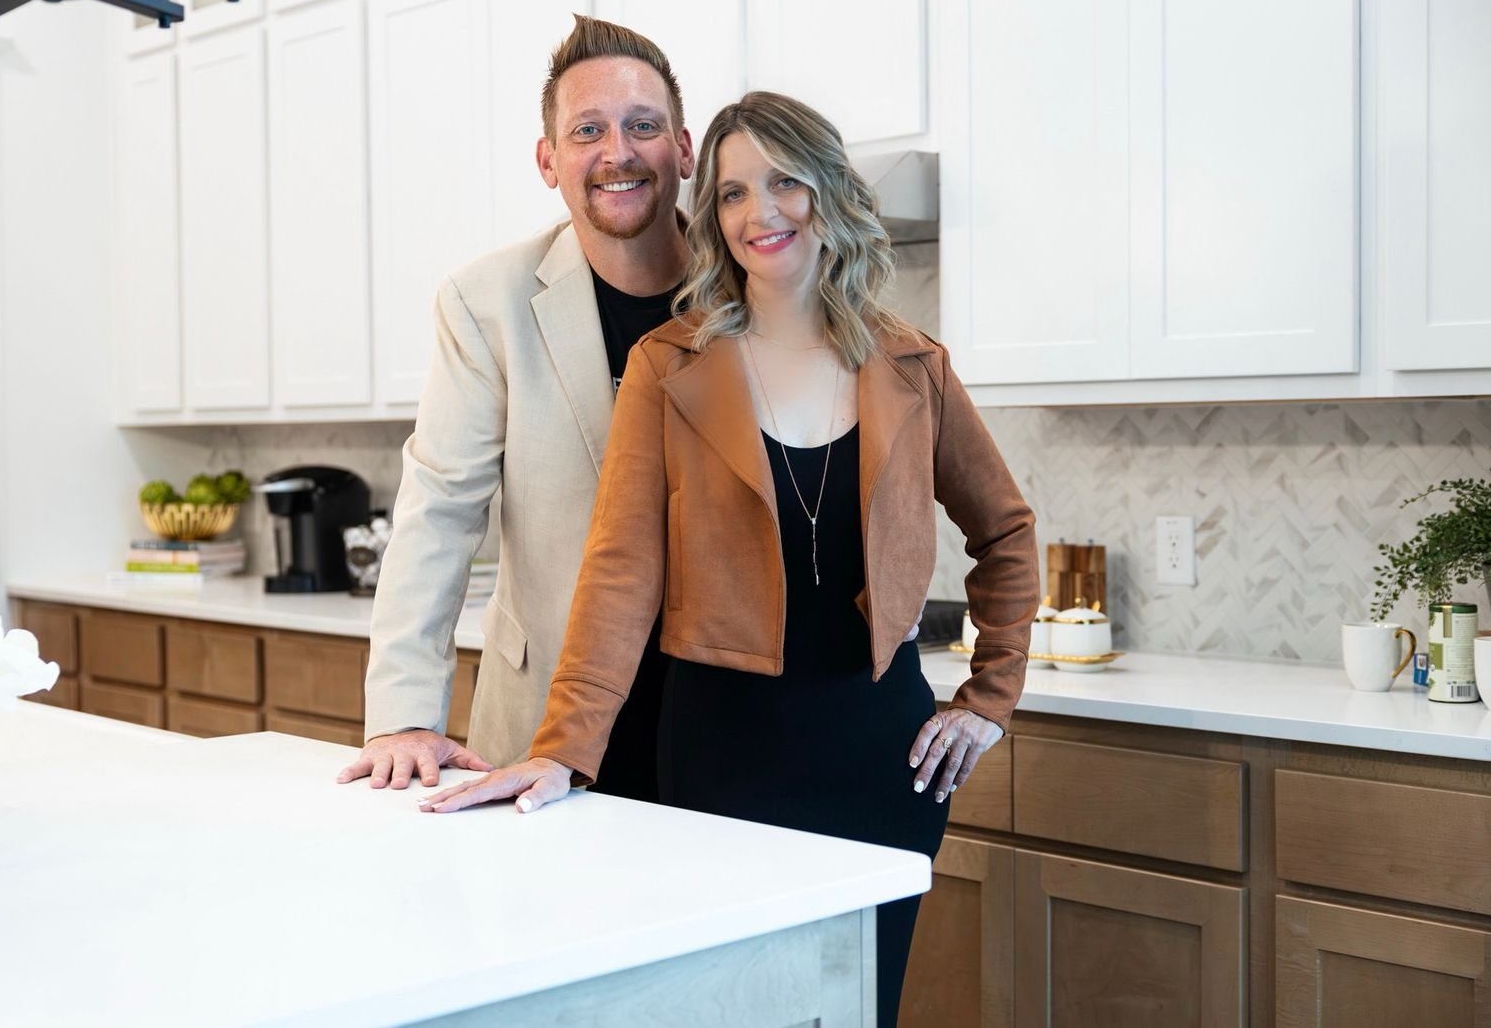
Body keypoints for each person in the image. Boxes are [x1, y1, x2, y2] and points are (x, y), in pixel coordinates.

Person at [419, 91, 1040, 1027]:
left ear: (828, 192)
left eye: (785, 182)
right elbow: (621, 571)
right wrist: (563, 751)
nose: (761, 213)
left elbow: (1007, 533)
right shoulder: (670, 366)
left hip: (883, 763)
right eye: (733, 193)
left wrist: (989, 698)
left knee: (861, 1008)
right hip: (722, 762)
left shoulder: (914, 365)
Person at [335, 16, 697, 802]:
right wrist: (402, 715)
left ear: (684, 149)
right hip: (544, 715)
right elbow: (438, 512)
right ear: (549, 160)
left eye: (643, 126)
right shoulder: (486, 302)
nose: (618, 152)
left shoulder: (750, 292)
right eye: (588, 130)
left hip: (720, 723)